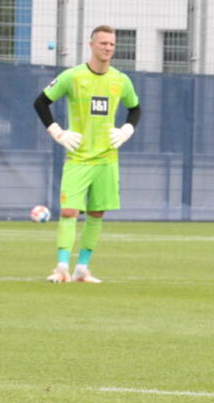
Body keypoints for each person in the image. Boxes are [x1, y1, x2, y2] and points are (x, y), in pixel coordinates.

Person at [33, 25, 141, 284]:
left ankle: (82, 268)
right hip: (78, 158)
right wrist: (57, 132)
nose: (108, 48)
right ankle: (61, 268)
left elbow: (135, 108)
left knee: (96, 214)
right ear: (91, 45)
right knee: (69, 211)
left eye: (112, 44)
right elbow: (41, 102)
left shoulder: (121, 80)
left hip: (107, 159)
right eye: (103, 43)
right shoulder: (73, 76)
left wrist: (127, 129)